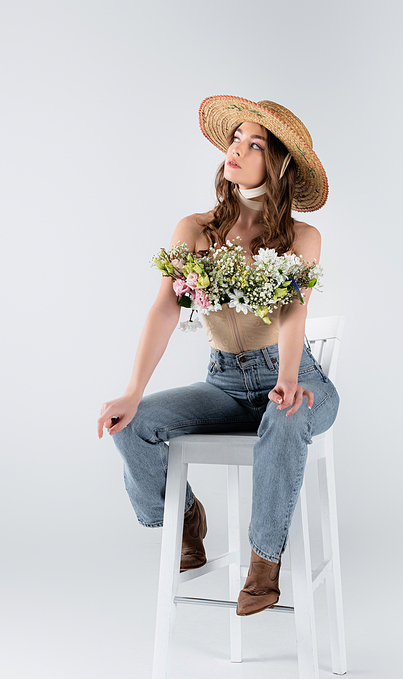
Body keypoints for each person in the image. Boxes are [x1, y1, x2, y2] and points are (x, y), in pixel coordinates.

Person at [97, 95, 340, 616]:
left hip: (298, 379)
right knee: (131, 425)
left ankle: (263, 562)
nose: (237, 149)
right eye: (236, 138)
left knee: (287, 411)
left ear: (276, 166)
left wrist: (291, 378)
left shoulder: (302, 237)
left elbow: (294, 313)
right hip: (223, 386)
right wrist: (134, 391)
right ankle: (186, 518)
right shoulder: (195, 230)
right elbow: (165, 309)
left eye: (255, 145)